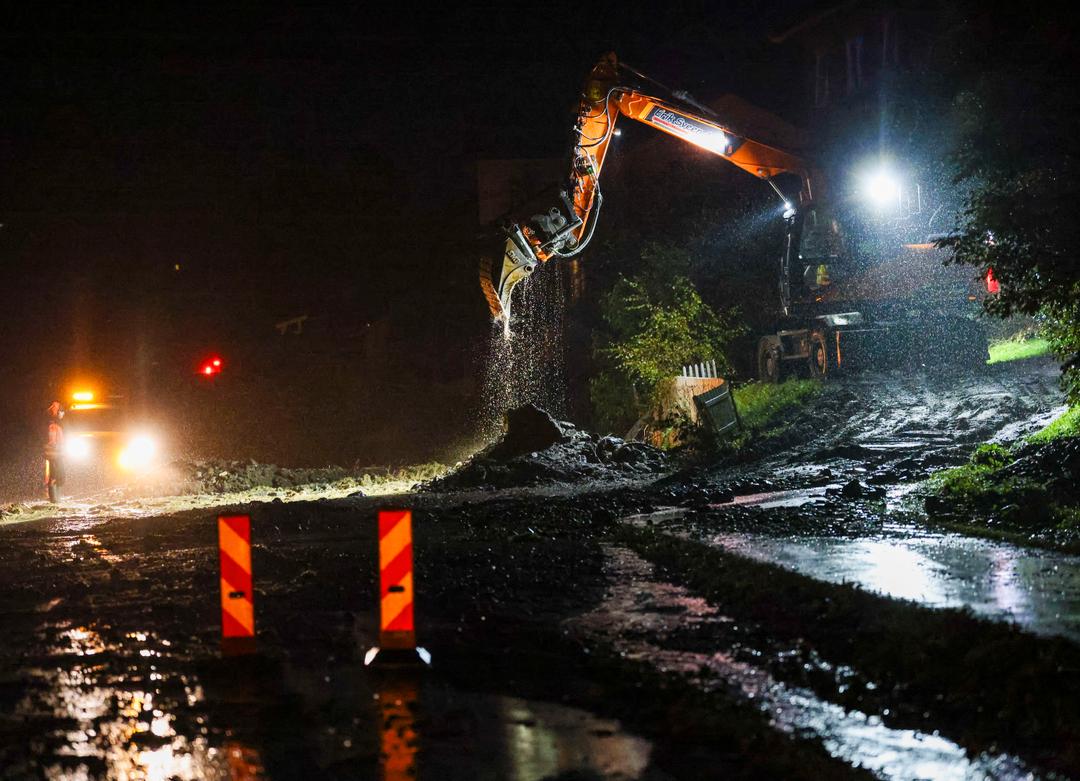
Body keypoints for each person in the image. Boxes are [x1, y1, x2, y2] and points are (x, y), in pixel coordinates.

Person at [44, 401, 65, 503]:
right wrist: (58, 448)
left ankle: (57, 498)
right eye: (61, 411)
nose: (63, 413)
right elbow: (52, 442)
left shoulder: (57, 425)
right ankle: (54, 500)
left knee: (60, 477)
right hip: (54, 455)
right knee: (55, 477)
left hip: (57, 455)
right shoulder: (53, 426)